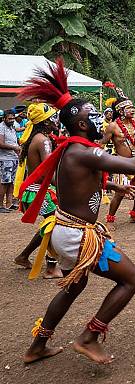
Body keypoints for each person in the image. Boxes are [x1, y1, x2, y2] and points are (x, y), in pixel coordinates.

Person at [17, 58, 135, 365]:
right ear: (83, 125)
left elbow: (74, 183)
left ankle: (38, 345)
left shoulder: (69, 148)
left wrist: (113, 188)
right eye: (94, 116)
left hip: (65, 231)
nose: (101, 119)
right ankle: (89, 337)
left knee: (75, 285)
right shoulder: (85, 151)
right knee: (131, 279)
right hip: (77, 236)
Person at [13, 103, 62, 278]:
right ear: (45, 122)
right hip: (40, 192)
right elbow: (47, 171)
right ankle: (51, 267)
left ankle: (24, 256)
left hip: (37, 190)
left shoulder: (39, 137)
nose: (57, 120)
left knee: (51, 223)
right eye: (53, 118)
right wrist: (63, 185)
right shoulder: (43, 140)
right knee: (55, 225)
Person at [102, 85, 135, 227]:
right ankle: (110, 220)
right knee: (119, 193)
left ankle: (134, 214)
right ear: (121, 111)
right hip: (121, 163)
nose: (133, 110)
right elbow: (103, 142)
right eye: (129, 108)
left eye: (132, 108)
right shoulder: (113, 126)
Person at [0, 110, 20, 212]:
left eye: (13, 118)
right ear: (4, 119)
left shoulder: (11, 127)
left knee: (11, 182)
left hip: (13, 158)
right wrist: (15, 148)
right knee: (4, 182)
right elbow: (1, 144)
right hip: (5, 159)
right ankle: (0, 205)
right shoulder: (1, 127)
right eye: (9, 118)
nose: (12, 120)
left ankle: (9, 203)